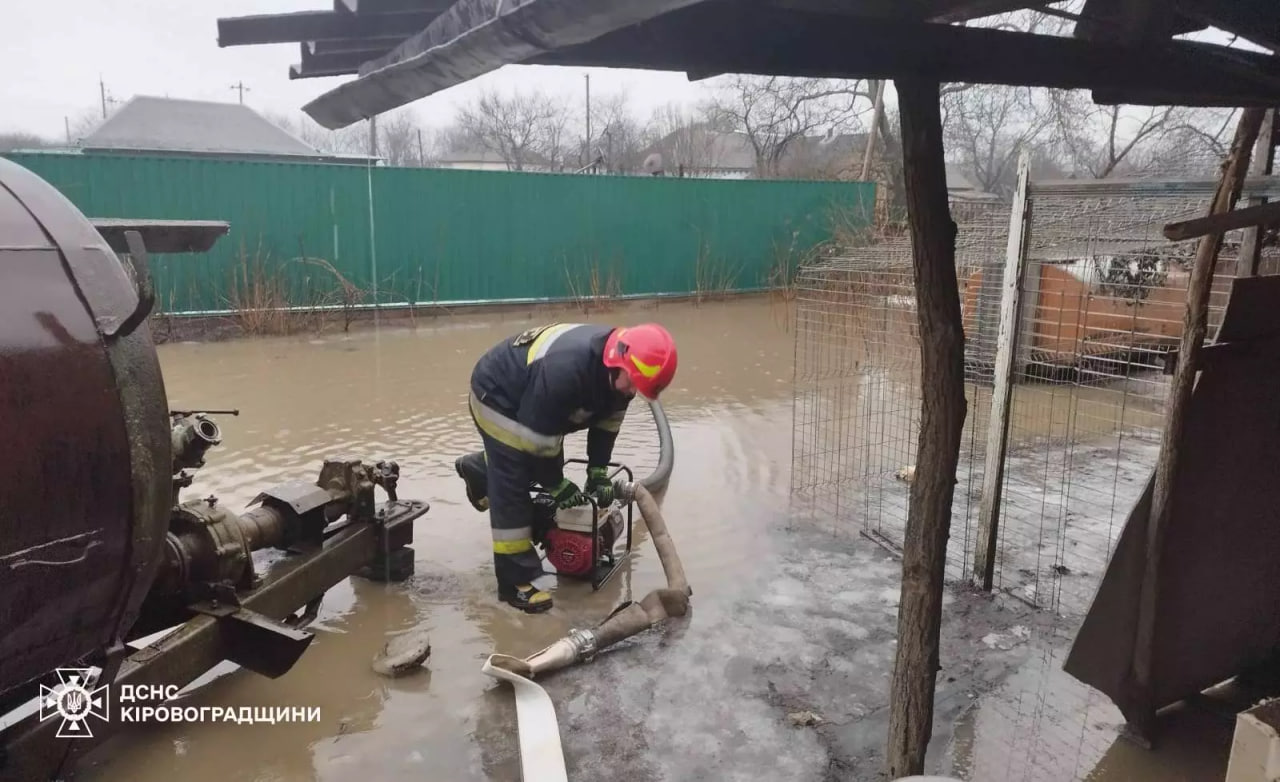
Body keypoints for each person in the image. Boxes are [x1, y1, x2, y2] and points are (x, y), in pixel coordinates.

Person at [455, 322, 677, 613]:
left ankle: (480, 469)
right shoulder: (566, 370)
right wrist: (556, 484)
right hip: (497, 395)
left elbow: (608, 423)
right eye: (633, 383)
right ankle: (513, 583)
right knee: (513, 477)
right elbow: (538, 439)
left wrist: (597, 471)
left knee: (535, 461)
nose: (634, 391)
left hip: (534, 397)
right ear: (617, 361)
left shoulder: (621, 374)